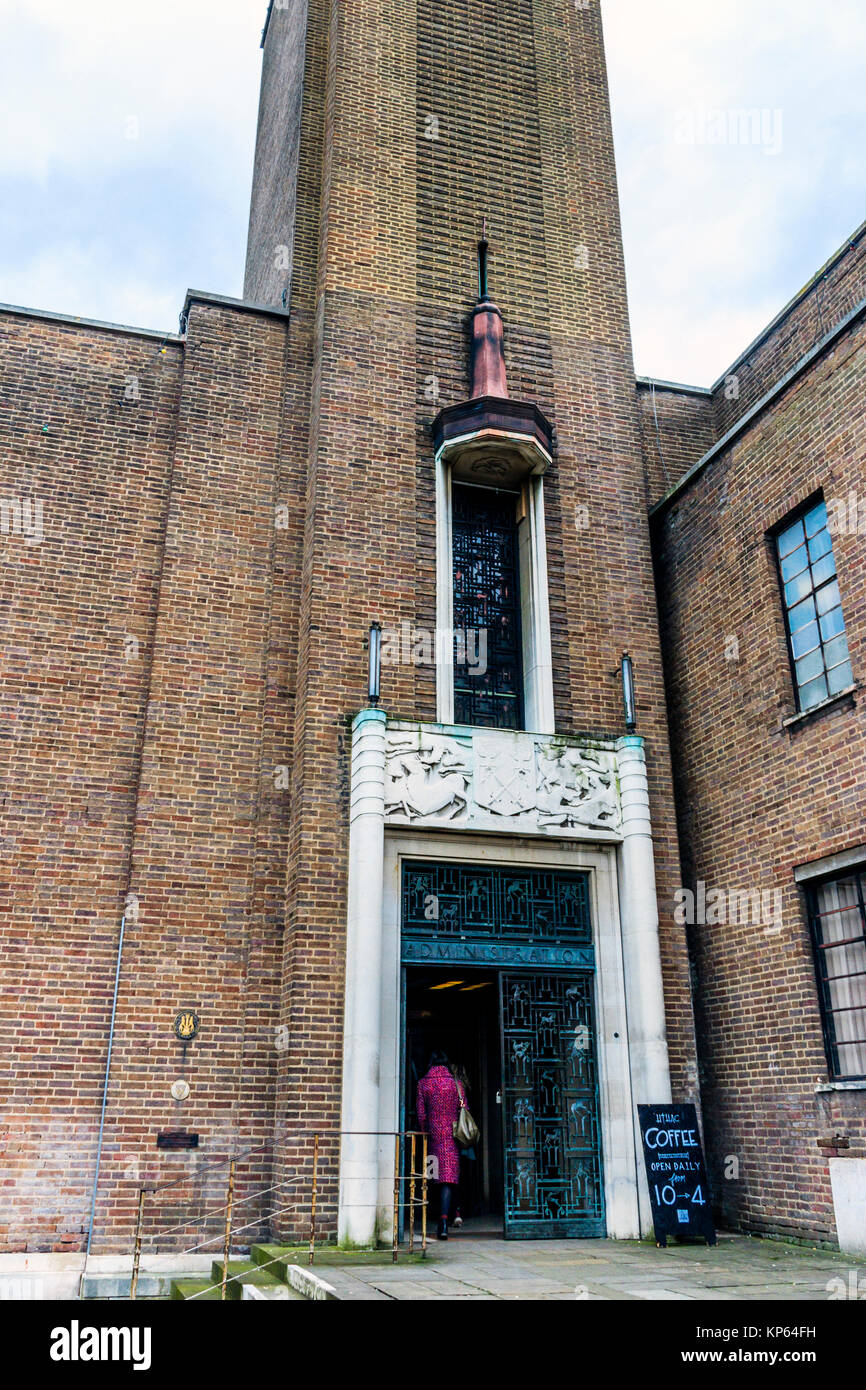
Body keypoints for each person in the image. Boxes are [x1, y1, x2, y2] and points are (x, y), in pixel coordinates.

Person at [416, 1049, 461, 1239]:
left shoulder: (423, 1084)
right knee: (449, 1179)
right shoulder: (455, 1084)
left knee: (433, 1176)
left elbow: (421, 1113)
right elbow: (463, 1108)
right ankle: (444, 1220)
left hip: (432, 1138)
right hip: (451, 1137)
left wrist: (427, 1128)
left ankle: (437, 1216)